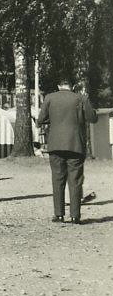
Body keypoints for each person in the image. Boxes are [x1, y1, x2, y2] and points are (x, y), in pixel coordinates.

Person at [37, 79, 98, 224]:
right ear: (73, 86)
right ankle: (75, 216)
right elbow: (93, 118)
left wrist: (53, 121)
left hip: (56, 144)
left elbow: (40, 119)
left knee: (57, 179)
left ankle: (59, 214)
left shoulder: (49, 98)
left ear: (58, 86)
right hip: (75, 144)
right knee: (75, 180)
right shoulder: (81, 98)